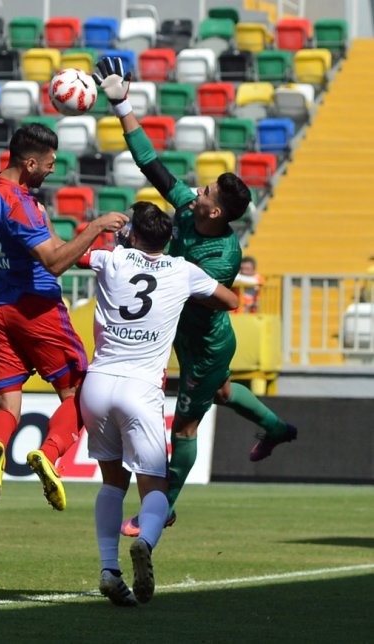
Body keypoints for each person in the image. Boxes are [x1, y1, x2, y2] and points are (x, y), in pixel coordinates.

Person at [91, 57, 297, 537]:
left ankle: (162, 508)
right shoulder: (188, 210)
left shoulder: (223, 252)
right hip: (181, 336)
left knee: (184, 428)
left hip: (203, 347)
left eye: (204, 189)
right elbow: (151, 165)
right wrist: (121, 104)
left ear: (217, 209)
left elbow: (194, 292)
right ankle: (278, 429)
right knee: (224, 393)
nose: (194, 189)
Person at [0, 123, 129, 511]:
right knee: (80, 393)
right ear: (30, 162)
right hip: (36, 308)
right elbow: (53, 262)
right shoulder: (23, 205)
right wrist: (96, 227)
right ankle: (49, 455)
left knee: (5, 407)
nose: (53, 170)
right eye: (49, 163)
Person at [78, 203, 239, 606]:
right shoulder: (183, 270)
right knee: (155, 488)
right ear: (166, 238)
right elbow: (231, 300)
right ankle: (145, 542)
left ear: (133, 234)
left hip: (97, 384)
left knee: (112, 481)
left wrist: (100, 232)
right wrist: (195, 298)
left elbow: (64, 254)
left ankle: (108, 569)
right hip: (140, 389)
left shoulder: (110, 257)